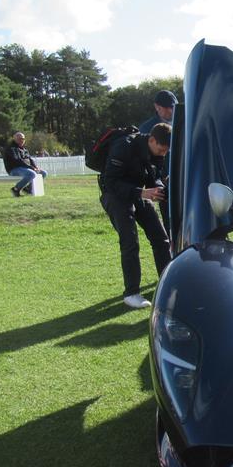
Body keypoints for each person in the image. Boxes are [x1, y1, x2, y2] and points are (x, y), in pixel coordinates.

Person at [100, 123, 173, 309]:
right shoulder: (123, 146)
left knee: (161, 238)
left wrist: (159, 188)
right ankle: (131, 293)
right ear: (152, 140)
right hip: (115, 196)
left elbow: (154, 177)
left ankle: (168, 284)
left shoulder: (157, 152)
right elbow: (110, 181)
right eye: (161, 149)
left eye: (166, 151)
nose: (163, 154)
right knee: (130, 241)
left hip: (139, 193)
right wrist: (141, 192)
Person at [140, 91, 177, 234]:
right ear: (157, 107)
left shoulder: (183, 123)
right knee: (169, 219)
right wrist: (158, 180)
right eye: (167, 108)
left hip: (183, 177)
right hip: (162, 180)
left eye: (172, 107)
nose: (171, 111)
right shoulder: (147, 128)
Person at [4, 132, 47, 197]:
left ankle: (28, 189)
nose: (22, 140)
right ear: (14, 139)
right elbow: (18, 161)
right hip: (14, 169)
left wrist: (36, 167)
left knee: (43, 173)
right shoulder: (11, 148)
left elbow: (30, 159)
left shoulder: (24, 148)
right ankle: (16, 189)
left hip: (25, 168)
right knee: (32, 174)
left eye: (23, 139)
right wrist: (32, 168)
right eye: (19, 139)